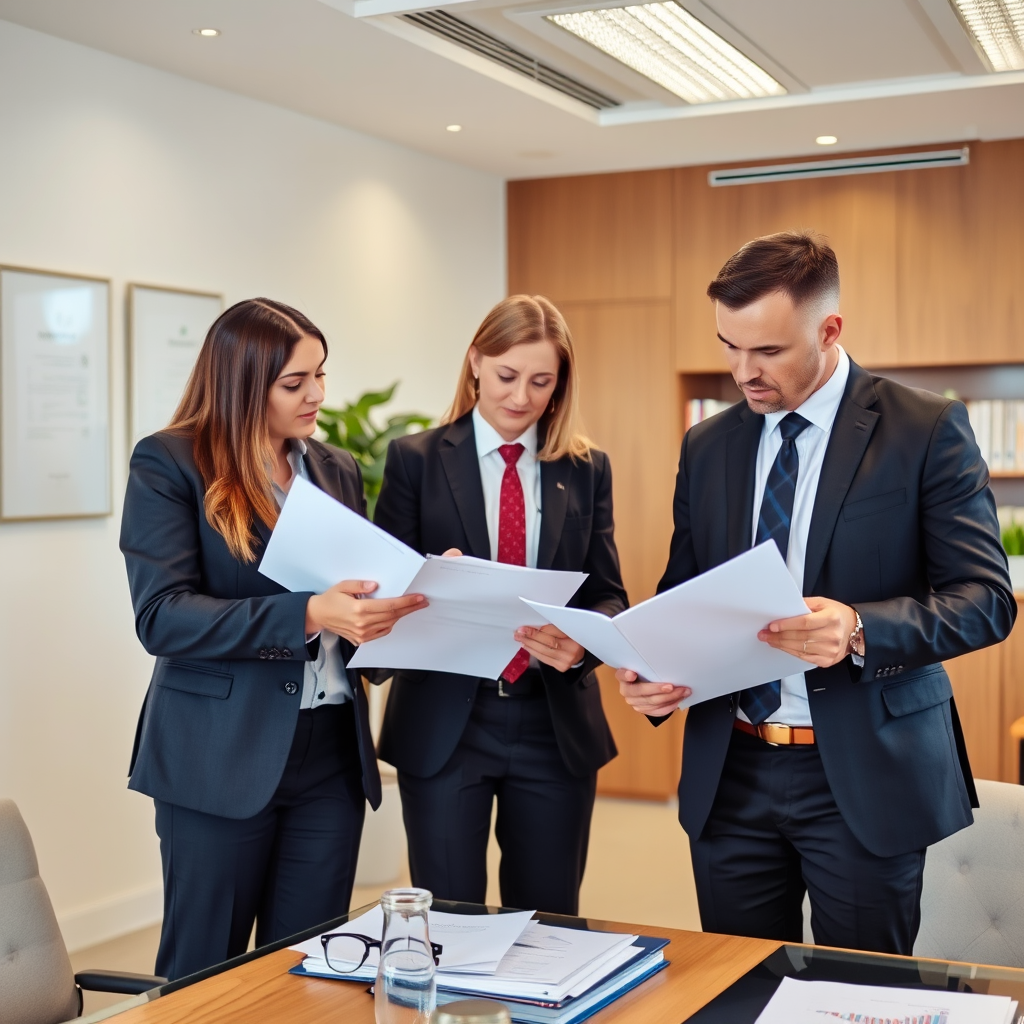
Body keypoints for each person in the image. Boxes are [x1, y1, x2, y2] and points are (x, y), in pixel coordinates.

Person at [617, 232, 1016, 954]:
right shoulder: (709, 446)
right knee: (733, 985)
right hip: (730, 769)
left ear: (830, 329)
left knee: (857, 992)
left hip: (865, 774)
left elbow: (987, 599)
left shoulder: (924, 428)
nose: (742, 372)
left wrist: (859, 628)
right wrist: (656, 667)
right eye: (728, 347)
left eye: (766, 351)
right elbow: (683, 590)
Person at [120, 298, 425, 980]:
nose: (317, 394)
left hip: (329, 756)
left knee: (314, 969)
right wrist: (307, 615)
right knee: (207, 973)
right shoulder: (171, 463)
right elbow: (162, 616)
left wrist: (413, 598)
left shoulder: (335, 467)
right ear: (241, 383)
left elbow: (355, 596)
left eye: (321, 375)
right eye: (295, 383)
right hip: (220, 753)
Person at [371, 294, 627, 915]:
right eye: (508, 376)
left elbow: (608, 592)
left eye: (542, 382)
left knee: (548, 920)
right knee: (451, 917)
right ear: (475, 363)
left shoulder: (586, 468)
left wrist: (585, 642)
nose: (521, 397)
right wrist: (429, 584)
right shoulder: (416, 460)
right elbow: (382, 589)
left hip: (552, 721)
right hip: (446, 719)